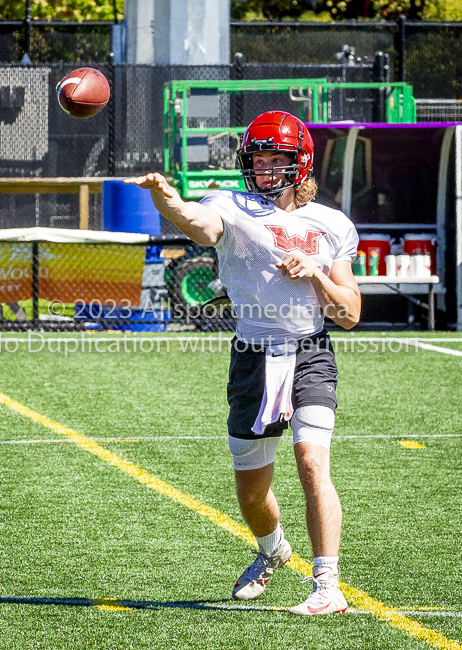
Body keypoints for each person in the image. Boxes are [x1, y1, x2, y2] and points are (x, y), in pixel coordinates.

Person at [125, 111, 361, 615]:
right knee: (252, 494)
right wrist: (163, 196)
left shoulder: (331, 224)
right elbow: (197, 222)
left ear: (301, 163)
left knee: (311, 460)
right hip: (253, 355)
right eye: (258, 158)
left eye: (277, 159)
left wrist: (317, 274)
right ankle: (273, 550)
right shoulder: (229, 205)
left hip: (310, 352)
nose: (266, 169)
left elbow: (350, 313)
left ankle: (327, 585)